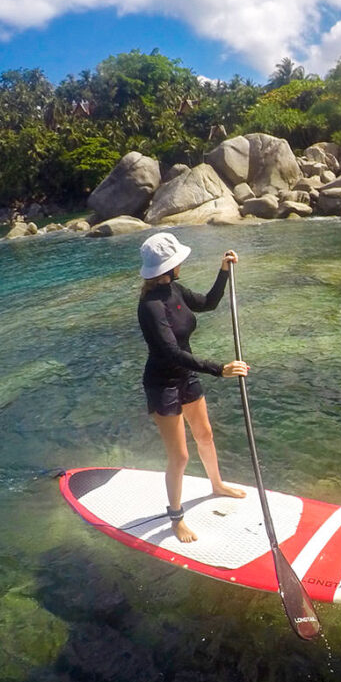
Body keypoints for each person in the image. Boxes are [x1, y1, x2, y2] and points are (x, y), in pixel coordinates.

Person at [137, 231, 249, 543]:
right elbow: (171, 352)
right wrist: (219, 369)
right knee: (181, 456)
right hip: (163, 385)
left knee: (205, 434)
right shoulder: (150, 307)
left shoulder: (175, 290)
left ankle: (217, 485)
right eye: (177, 261)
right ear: (166, 267)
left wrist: (223, 271)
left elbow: (209, 303)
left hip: (186, 375)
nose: (181, 264)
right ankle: (176, 518)